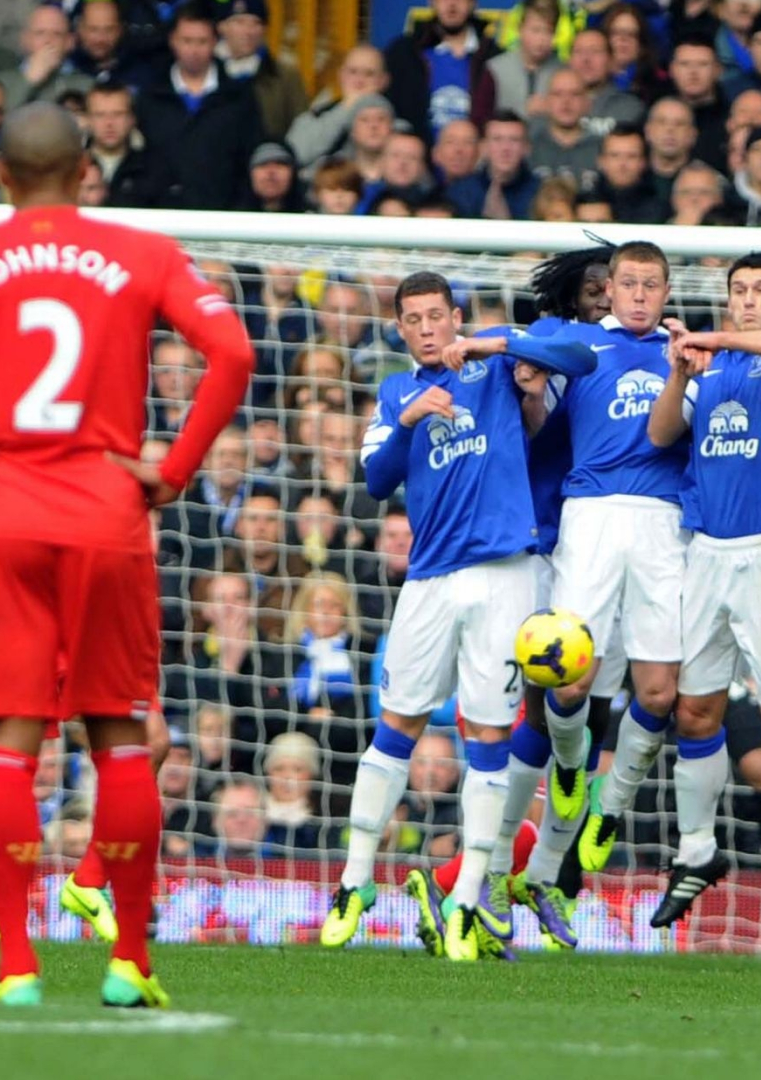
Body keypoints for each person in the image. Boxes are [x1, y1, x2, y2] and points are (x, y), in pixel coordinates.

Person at [0, 103, 253, 1007]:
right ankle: (130, 963)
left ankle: (15, 966)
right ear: (85, 172)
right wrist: (174, 472)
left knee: (8, 746)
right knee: (121, 737)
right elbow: (231, 351)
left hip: (4, 509)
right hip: (108, 509)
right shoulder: (142, 252)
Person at [322, 270, 592, 962]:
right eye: (413, 320)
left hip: (506, 573)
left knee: (491, 735)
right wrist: (410, 420)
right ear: (400, 330)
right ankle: (355, 880)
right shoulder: (396, 392)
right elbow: (377, 479)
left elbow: (577, 357)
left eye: (436, 316)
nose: (427, 328)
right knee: (398, 725)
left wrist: (488, 346)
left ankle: (468, 898)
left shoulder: (492, 365)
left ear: (455, 316)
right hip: (430, 579)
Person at [641, 252, 761, 942]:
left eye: (760, 291)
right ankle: (696, 851)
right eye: (738, 292)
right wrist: (679, 370)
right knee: (694, 713)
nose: (748, 300)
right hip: (707, 558)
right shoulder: (712, 368)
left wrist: (719, 338)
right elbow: (661, 434)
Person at [545, 242, 683, 892]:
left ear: (665, 292)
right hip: (592, 516)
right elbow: (514, 352)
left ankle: (613, 802)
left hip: (663, 521)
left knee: (658, 693)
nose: (638, 295)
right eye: (628, 283)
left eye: (650, 285)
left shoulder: (686, 352)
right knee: (572, 680)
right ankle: (570, 766)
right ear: (610, 289)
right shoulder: (576, 345)